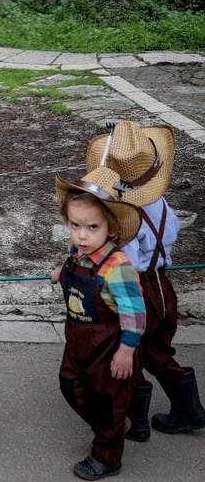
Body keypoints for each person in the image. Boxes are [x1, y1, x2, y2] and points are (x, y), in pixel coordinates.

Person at [87, 121, 205, 438]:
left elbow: (127, 262)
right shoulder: (161, 203)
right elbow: (173, 233)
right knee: (159, 351)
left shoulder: (126, 215)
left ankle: (136, 422)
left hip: (137, 287)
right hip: (163, 286)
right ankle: (189, 408)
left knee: (132, 353)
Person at [50, 166, 145, 481]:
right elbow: (71, 269)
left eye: (92, 227)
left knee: (107, 401)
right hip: (77, 340)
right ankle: (115, 424)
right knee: (70, 385)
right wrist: (59, 273)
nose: (82, 235)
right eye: (75, 225)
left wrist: (127, 350)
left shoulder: (118, 268)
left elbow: (135, 313)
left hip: (108, 347)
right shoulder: (76, 252)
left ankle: (107, 455)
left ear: (111, 227)